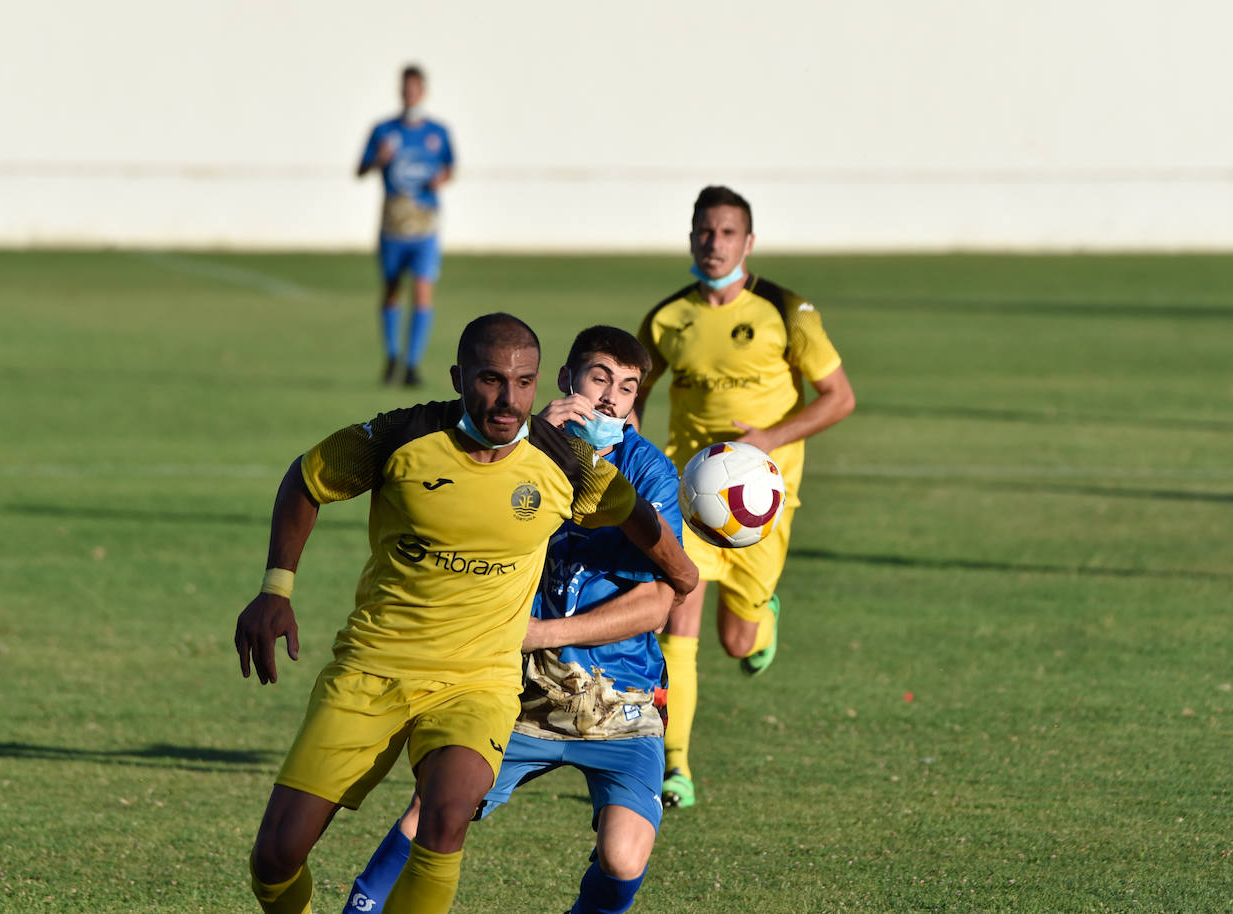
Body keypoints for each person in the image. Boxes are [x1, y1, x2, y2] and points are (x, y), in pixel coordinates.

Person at [234, 313, 697, 914]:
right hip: (373, 668)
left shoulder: (563, 459)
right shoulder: (401, 437)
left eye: (523, 383)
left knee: (447, 817)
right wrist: (276, 589)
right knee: (275, 858)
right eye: (490, 380)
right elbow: (305, 479)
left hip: (478, 682)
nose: (508, 401)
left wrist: (683, 573)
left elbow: (634, 514)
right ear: (459, 377)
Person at [633, 185, 856, 810]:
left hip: (762, 506)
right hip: (689, 499)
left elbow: (840, 398)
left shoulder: (789, 310)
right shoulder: (665, 318)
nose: (714, 244)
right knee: (679, 617)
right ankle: (674, 767)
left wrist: (767, 439)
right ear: (691, 237)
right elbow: (636, 391)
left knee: (738, 641)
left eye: (727, 233)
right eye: (704, 232)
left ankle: (764, 620)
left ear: (748, 242)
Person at [356, 64, 455, 388]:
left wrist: (442, 178)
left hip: (425, 225)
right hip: (393, 224)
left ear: (423, 92)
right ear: (401, 92)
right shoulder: (384, 130)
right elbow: (361, 168)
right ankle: (392, 355)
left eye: (415, 89)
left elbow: (450, 168)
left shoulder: (437, 132)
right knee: (392, 290)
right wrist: (378, 161)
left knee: (423, 290)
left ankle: (413, 364)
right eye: (405, 89)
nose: (410, 95)